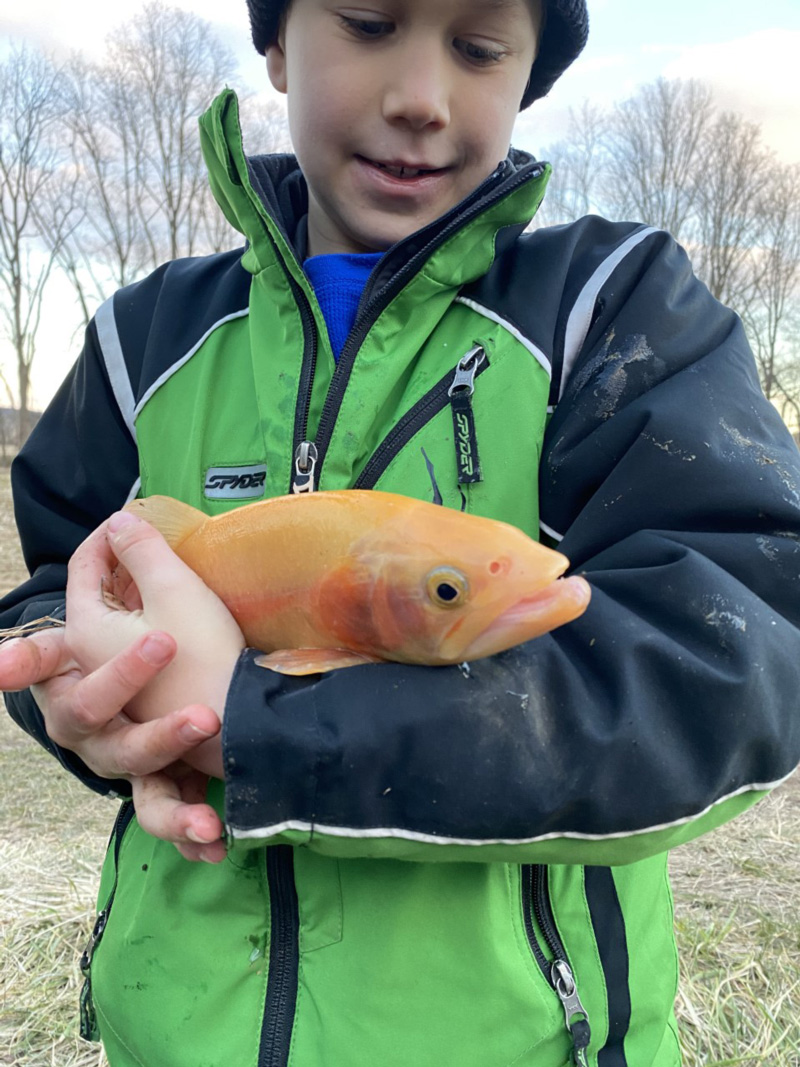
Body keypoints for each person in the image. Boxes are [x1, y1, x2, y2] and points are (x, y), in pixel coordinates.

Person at [1, 0, 799, 1063]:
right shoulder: (139, 340)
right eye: (371, 22)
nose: (421, 98)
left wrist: (249, 724)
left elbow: (733, 661)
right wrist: (76, 691)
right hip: (171, 1029)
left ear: (530, 76)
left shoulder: (614, 313)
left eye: (477, 48)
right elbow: (54, 589)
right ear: (276, 45)